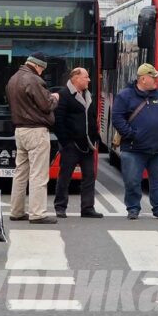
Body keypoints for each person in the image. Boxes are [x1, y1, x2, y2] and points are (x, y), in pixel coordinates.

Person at [112, 63, 158, 221]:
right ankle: (133, 208)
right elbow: (117, 118)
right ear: (143, 79)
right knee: (132, 181)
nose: (156, 81)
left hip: (156, 149)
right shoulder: (125, 95)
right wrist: (131, 134)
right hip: (133, 149)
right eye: (153, 77)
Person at [6, 53, 59, 224]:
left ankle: (16, 211)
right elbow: (46, 104)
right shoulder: (33, 80)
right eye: (42, 69)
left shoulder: (13, 78)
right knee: (38, 174)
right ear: (37, 66)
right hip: (36, 131)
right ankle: (38, 213)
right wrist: (55, 97)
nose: (42, 72)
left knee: (20, 173)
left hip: (19, 130)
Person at [53, 67, 103, 219]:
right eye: (86, 77)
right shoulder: (64, 95)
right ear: (75, 78)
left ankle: (87, 208)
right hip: (71, 145)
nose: (89, 80)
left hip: (87, 144)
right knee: (65, 177)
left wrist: (95, 138)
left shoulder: (89, 96)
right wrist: (66, 142)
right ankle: (60, 207)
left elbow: (93, 118)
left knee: (89, 176)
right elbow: (58, 121)